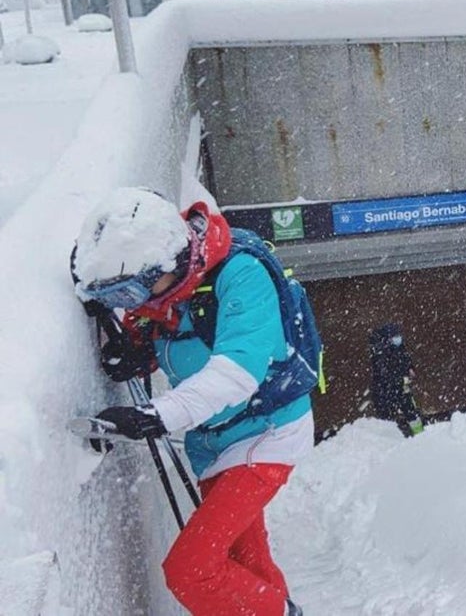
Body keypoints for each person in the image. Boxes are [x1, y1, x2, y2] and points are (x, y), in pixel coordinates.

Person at [71, 187, 310, 616]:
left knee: (191, 569)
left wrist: (158, 415)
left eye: (129, 293)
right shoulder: (163, 284)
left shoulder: (242, 273)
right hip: (213, 440)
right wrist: (136, 352)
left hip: (268, 433)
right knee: (245, 566)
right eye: (118, 297)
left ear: (168, 264)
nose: (132, 304)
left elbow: (237, 370)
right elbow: (170, 336)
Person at [369, 323, 425, 437]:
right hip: (387, 390)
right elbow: (383, 373)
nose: (398, 338)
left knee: (411, 412)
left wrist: (410, 369)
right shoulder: (381, 353)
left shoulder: (400, 348)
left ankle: (420, 435)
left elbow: (406, 361)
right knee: (388, 417)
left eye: (398, 335)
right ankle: (391, 440)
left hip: (402, 388)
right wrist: (400, 378)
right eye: (395, 336)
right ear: (389, 339)